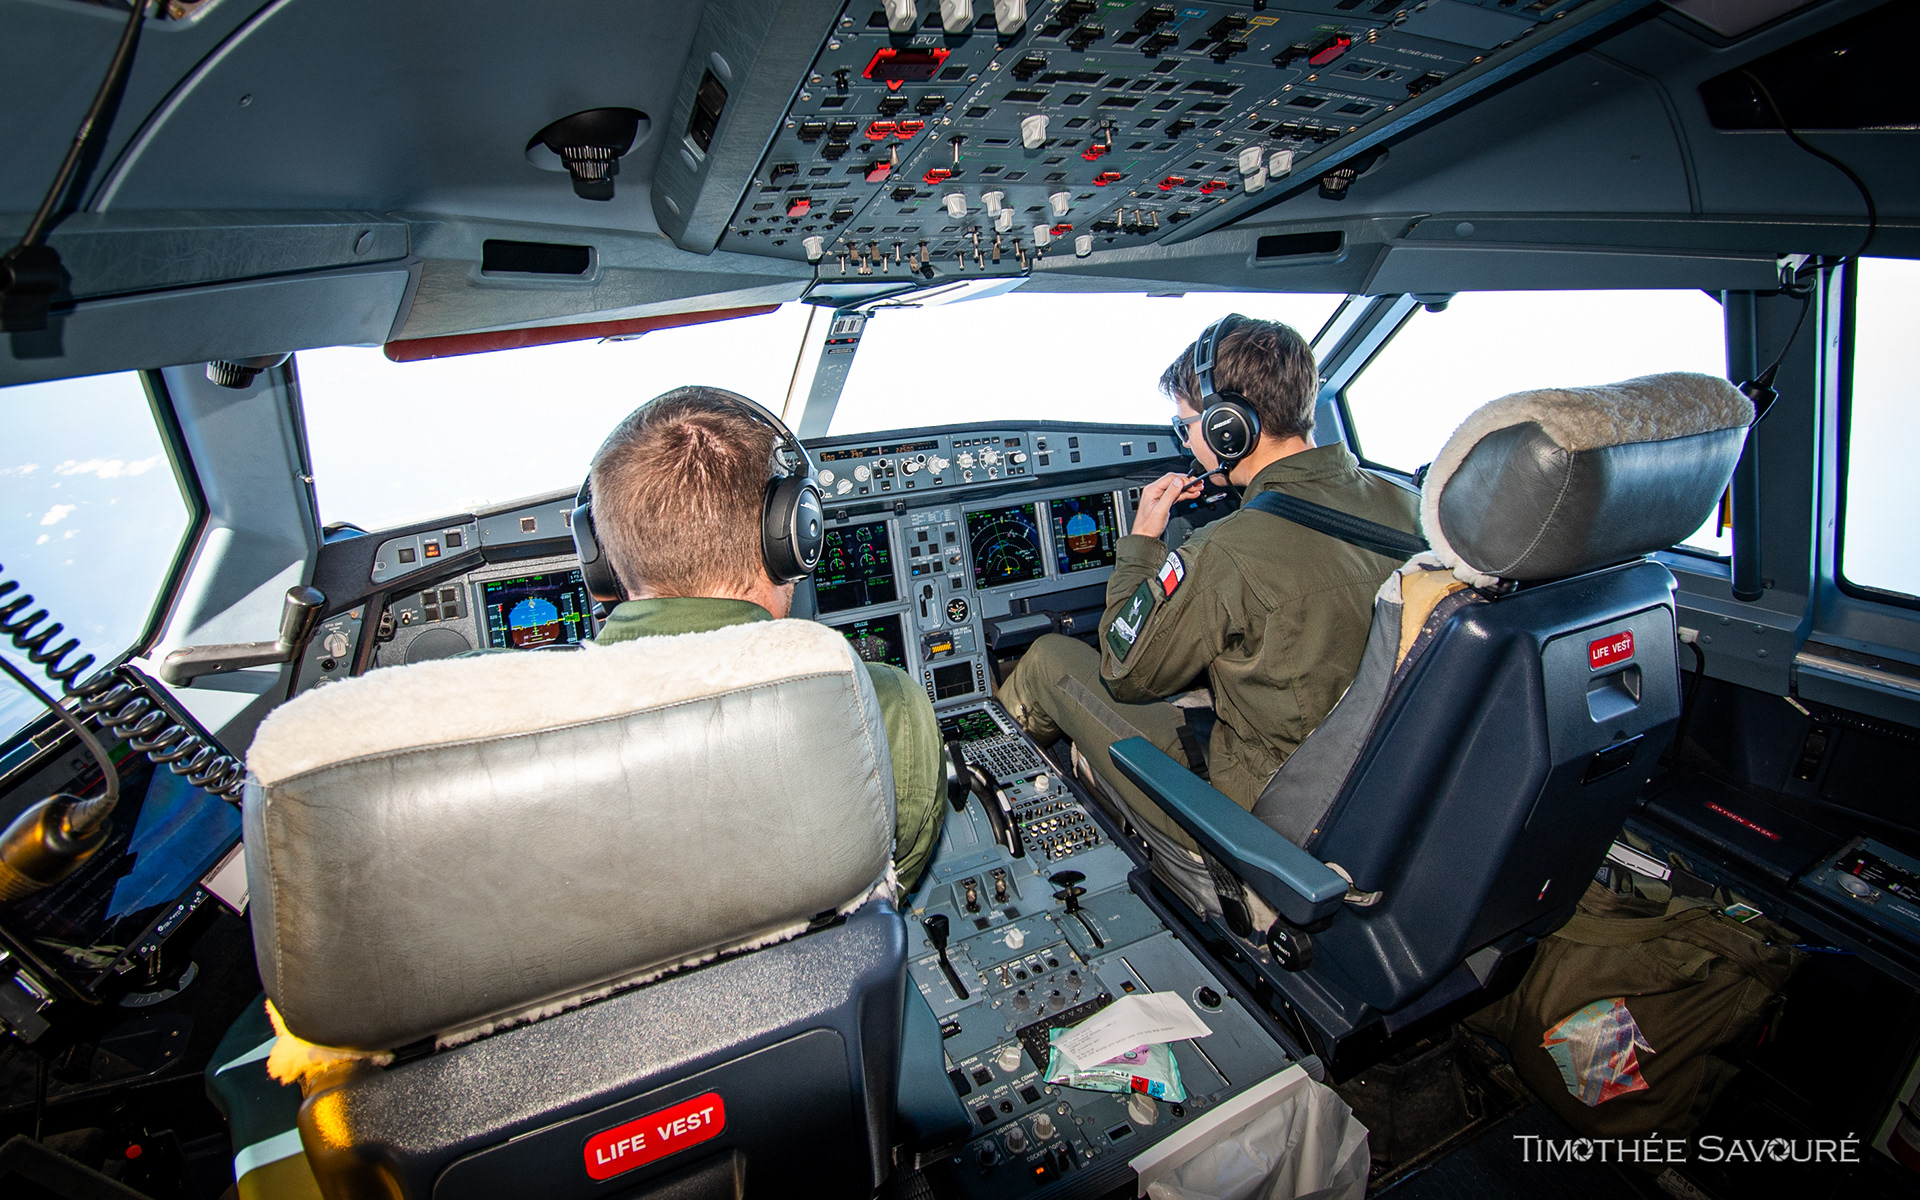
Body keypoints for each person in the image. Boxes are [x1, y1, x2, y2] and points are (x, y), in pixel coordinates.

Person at [996, 316, 1420, 915]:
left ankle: (984, 787)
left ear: (1228, 426)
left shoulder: (1225, 551)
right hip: (1390, 803)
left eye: (1186, 426)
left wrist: (1145, 538)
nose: (1186, 443)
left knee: (1045, 661)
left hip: (1264, 826)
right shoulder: (1413, 506)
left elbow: (1122, 664)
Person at [587, 386, 946, 891]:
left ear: (601, 561)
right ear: (793, 538)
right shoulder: (883, 706)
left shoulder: (488, 728)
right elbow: (888, 885)